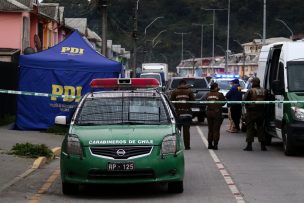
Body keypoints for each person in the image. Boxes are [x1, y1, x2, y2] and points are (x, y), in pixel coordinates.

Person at [243, 77, 268, 151]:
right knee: (261, 128)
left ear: (254, 83)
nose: (251, 83)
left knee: (250, 128)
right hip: (261, 112)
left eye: (252, 82)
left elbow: (244, 100)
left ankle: (249, 146)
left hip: (251, 112)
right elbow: (267, 101)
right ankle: (263, 146)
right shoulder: (264, 91)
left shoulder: (250, 91)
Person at [170, 79, 195, 150]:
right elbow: (193, 101)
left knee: (178, 131)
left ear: (179, 84)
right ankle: (187, 146)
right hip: (187, 113)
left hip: (178, 113)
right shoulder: (189, 91)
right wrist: (188, 107)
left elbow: (171, 102)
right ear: (185, 84)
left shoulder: (174, 91)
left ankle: (177, 146)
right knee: (186, 131)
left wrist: (177, 107)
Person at [205, 83, 226, 150]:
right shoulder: (220, 94)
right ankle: (215, 145)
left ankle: (209, 144)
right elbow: (223, 103)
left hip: (209, 113)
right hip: (217, 113)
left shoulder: (207, 94)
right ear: (216, 87)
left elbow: (205, 101)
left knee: (210, 129)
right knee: (216, 130)